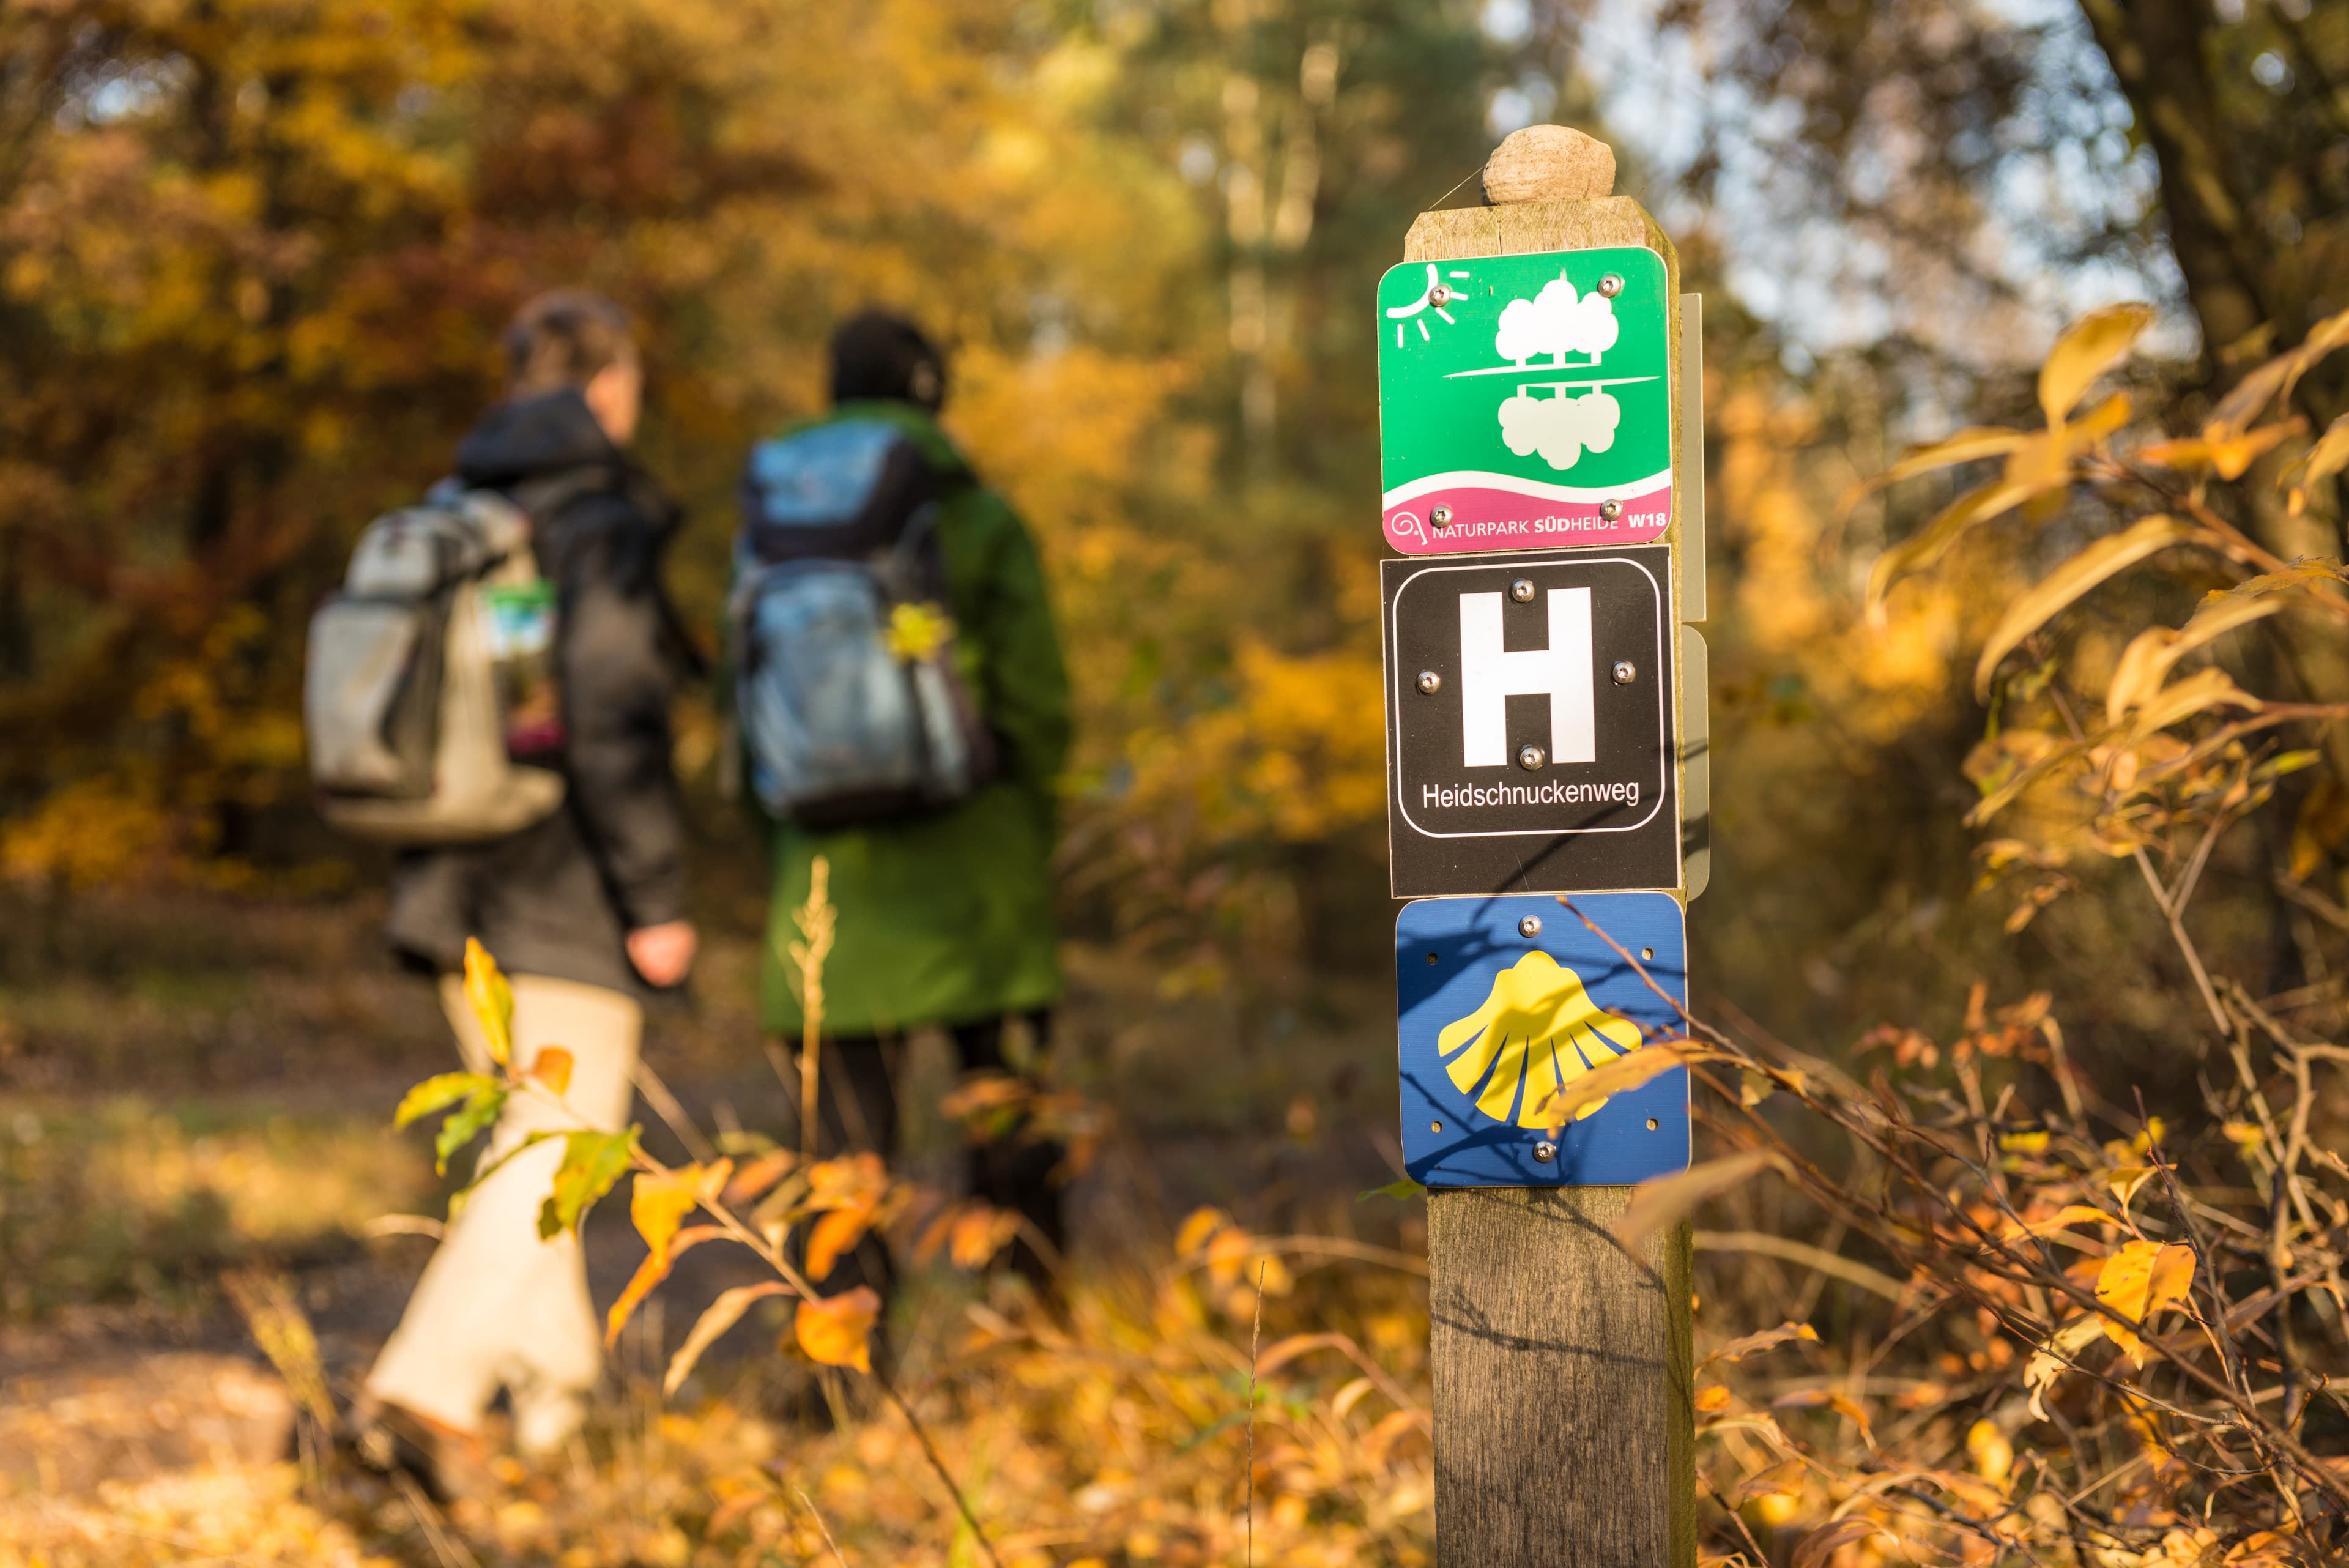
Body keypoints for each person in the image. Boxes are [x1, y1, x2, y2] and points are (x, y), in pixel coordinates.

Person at [360, 289, 697, 1482]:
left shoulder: (461, 509)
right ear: (606, 386)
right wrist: (656, 896)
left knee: (532, 1144)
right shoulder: (592, 520)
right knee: (556, 1146)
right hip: (560, 889)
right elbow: (602, 718)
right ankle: (423, 1389)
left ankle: (560, 1419)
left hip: (451, 876)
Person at [750, 310, 1072, 1303]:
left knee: (843, 1159)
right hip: (977, 879)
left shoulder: (770, 525)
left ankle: (837, 1383)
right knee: (1006, 1121)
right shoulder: (973, 513)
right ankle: (1025, 1334)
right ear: (933, 390)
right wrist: (1029, 829)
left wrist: (780, 837)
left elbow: (741, 700)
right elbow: (1037, 702)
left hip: (826, 883)